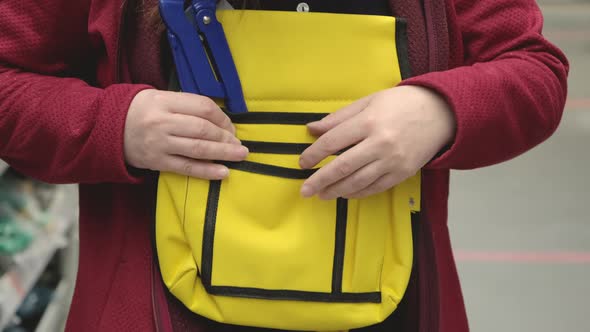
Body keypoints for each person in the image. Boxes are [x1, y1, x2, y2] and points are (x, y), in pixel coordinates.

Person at [0, 0, 568, 331]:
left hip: (392, 303)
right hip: (153, 310)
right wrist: (114, 124)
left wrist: (441, 111)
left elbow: (533, 70)